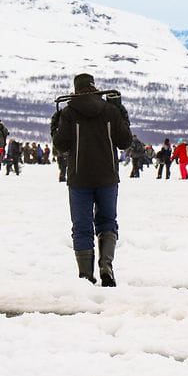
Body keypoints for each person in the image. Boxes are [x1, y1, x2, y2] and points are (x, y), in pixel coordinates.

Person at [52, 73, 132, 287]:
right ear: (94, 87)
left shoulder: (68, 113)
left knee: (81, 227)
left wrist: (55, 126)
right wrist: (122, 115)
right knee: (107, 222)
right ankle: (106, 265)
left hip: (79, 179)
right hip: (107, 178)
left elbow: (61, 145)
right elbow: (125, 142)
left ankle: (85, 277)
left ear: (75, 89)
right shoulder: (110, 110)